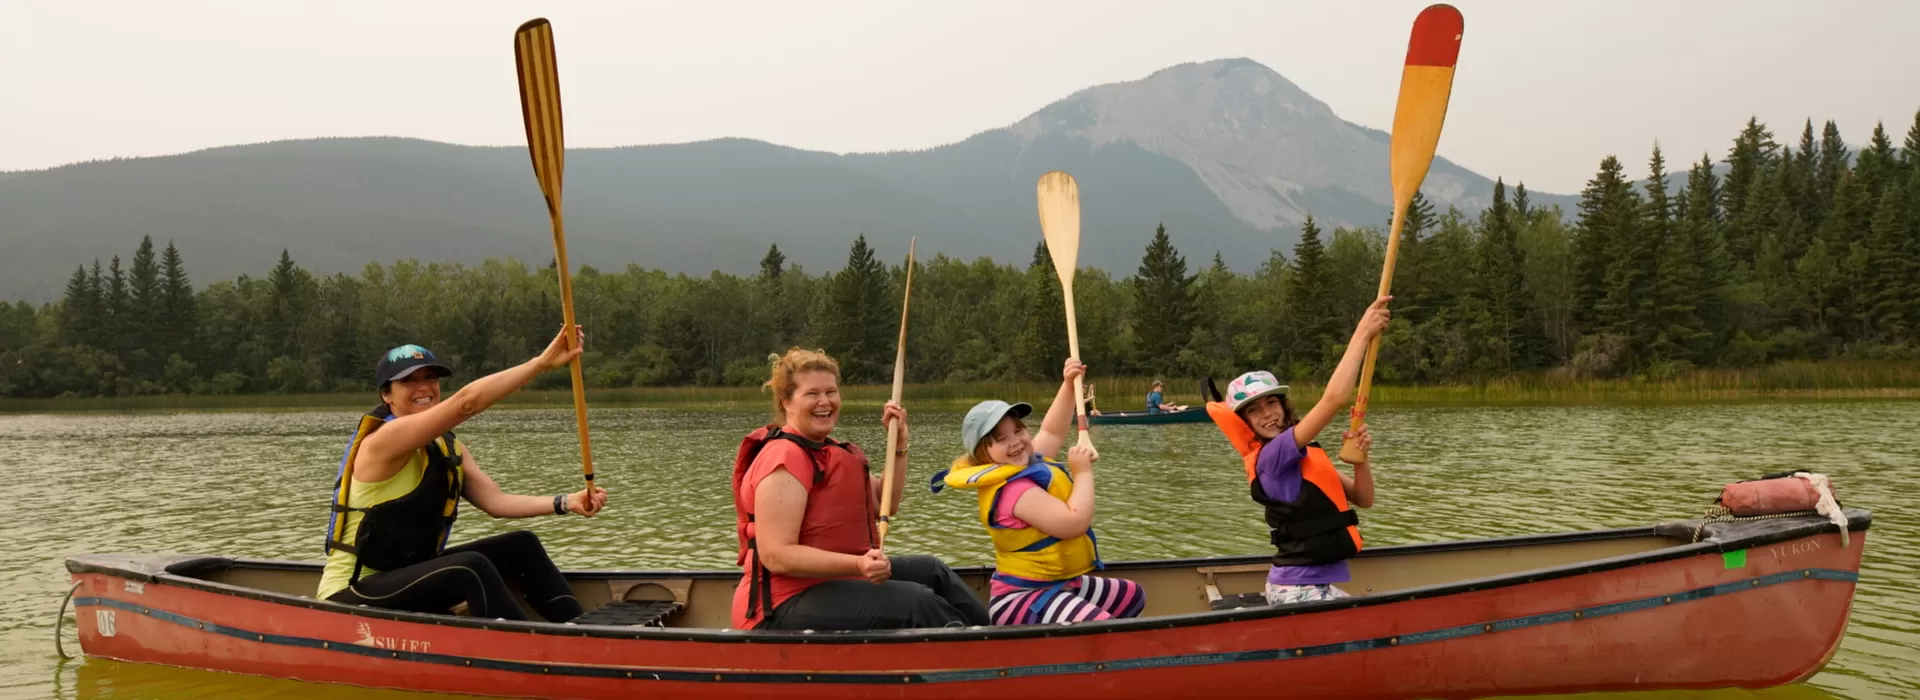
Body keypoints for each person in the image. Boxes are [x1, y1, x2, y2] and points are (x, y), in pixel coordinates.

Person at [319, 327, 609, 622]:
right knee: (469, 567)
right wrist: (539, 364)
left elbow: (496, 502)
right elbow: (467, 403)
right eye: (408, 381)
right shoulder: (384, 439)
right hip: (355, 592)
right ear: (386, 395)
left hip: (409, 579)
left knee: (521, 545)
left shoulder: (448, 446)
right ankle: (532, 655)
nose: (423, 387)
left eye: (430, 377)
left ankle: (581, 632)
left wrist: (566, 502)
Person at [730, 347, 991, 631]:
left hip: (834, 582)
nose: (825, 401)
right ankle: (984, 661)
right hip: (781, 604)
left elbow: (884, 503)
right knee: (916, 602)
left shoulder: (830, 451)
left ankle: (999, 637)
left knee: (931, 571)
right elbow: (776, 556)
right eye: (812, 394)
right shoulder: (784, 457)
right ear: (786, 401)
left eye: (831, 392)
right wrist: (857, 565)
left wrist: (900, 443)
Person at [931, 358, 1145, 625]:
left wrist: (1068, 384)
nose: (1016, 442)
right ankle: (1083, 656)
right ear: (983, 454)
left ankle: (1079, 650)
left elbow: (1052, 431)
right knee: (1103, 628)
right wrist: (1083, 473)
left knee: (1131, 596)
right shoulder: (1015, 492)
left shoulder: (1026, 462)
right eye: (1001, 439)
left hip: (1056, 583)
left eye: (1018, 430)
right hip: (1023, 598)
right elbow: (1074, 523)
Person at [1205, 296, 1388, 605]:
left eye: (1272, 402)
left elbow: (1363, 498)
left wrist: (1361, 459)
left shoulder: (1304, 455)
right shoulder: (1271, 457)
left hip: (1313, 585)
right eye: (1254, 410)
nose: (1267, 414)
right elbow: (1334, 399)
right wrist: (1362, 333)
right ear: (1244, 422)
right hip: (1297, 590)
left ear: (1283, 405)